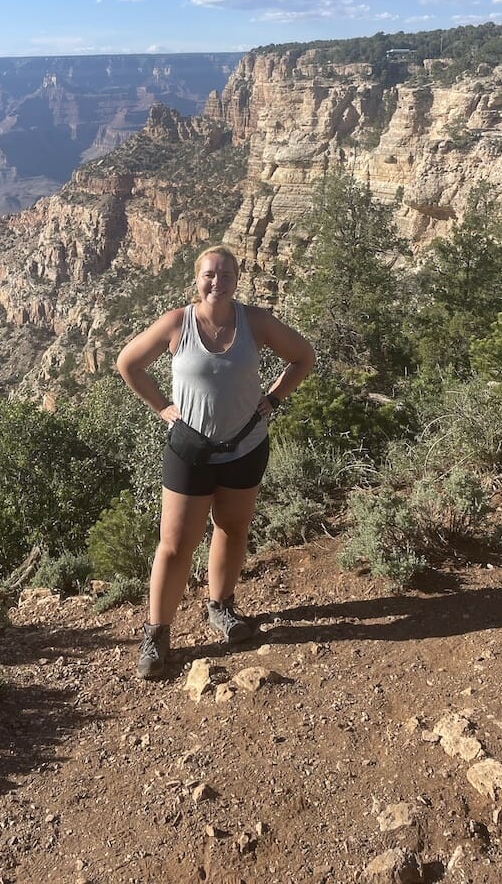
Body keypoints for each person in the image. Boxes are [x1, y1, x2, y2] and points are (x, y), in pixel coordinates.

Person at [116, 244, 315, 680]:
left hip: (246, 445)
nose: (217, 282)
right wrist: (163, 409)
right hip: (191, 449)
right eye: (209, 274)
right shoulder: (177, 323)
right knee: (174, 544)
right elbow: (128, 364)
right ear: (196, 279)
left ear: (237, 280)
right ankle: (157, 633)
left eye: (226, 275)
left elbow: (303, 357)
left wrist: (274, 399)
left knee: (232, 528)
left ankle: (220, 608)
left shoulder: (256, 322)